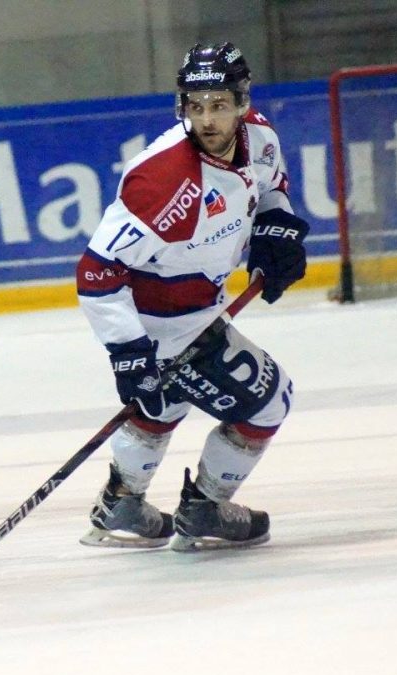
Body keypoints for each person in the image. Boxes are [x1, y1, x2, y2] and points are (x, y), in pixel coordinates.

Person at [75, 42, 308, 552]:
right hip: (158, 320)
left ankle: (122, 504)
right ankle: (205, 508)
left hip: (201, 307)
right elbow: (96, 274)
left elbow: (270, 188)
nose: (207, 120)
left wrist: (276, 232)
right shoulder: (162, 181)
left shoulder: (261, 136)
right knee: (270, 402)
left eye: (219, 105)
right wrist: (130, 353)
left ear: (242, 103)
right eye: (195, 106)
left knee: (164, 402)